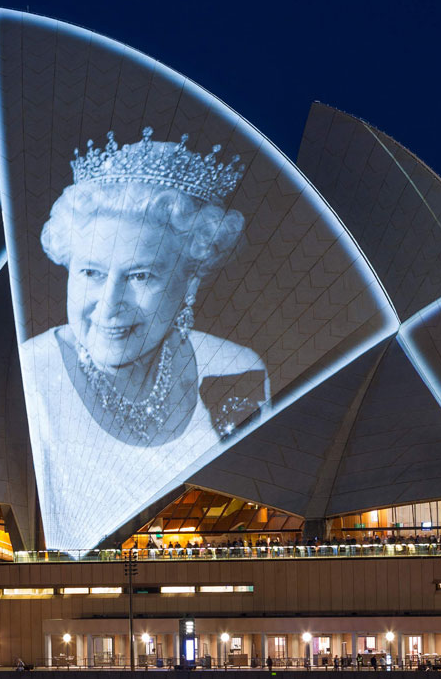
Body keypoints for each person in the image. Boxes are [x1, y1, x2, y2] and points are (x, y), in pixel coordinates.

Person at [21, 127, 269, 548]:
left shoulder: (237, 369)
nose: (109, 303)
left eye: (139, 275)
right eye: (91, 273)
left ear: (189, 280)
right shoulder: (32, 375)